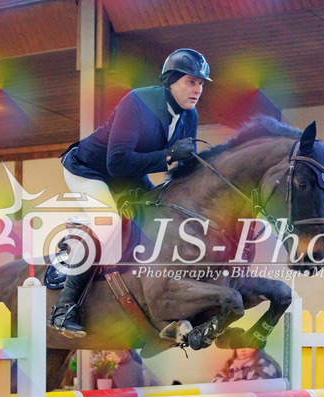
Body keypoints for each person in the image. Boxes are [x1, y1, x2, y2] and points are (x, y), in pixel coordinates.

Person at [48, 49, 212, 337]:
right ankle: (65, 307)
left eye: (200, 83)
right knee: (109, 222)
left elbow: (185, 167)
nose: (197, 90)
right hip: (90, 170)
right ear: (170, 81)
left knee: (162, 213)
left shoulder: (190, 116)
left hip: (128, 176)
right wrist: (169, 155)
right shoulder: (137, 102)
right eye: (190, 82)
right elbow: (116, 162)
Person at [212, 348, 282, 382]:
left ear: (257, 347)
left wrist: (229, 383)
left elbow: (257, 387)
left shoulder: (265, 365)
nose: (243, 349)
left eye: (248, 345)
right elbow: (215, 381)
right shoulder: (231, 365)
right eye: (239, 345)